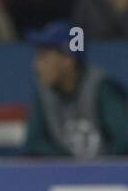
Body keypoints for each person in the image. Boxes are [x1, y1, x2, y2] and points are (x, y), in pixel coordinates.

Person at [23, 21, 128, 157]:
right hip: (64, 176)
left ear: (68, 60)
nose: (36, 65)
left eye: (44, 56)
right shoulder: (44, 92)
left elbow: (124, 139)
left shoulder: (101, 88)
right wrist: (70, 164)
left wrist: (101, 167)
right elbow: (34, 142)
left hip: (108, 176)